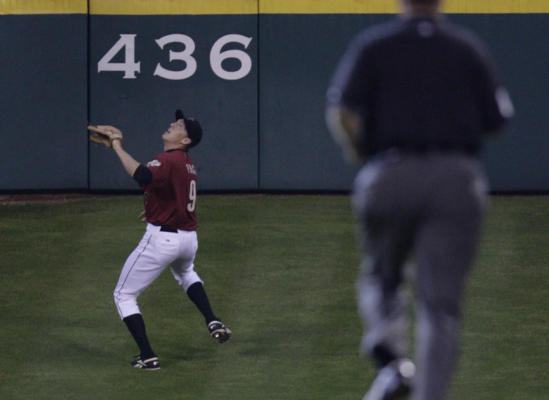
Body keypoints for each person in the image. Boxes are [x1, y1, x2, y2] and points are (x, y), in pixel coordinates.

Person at [326, 0, 513, 399]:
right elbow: (498, 120)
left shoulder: (374, 45)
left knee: (381, 276)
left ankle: (391, 358)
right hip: (455, 178)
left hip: (389, 172)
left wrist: (360, 153)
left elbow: (341, 112)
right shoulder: (467, 48)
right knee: (440, 307)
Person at [97, 109, 231, 370]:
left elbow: (142, 176)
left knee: (123, 295)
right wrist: (152, 208)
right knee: (186, 273)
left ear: (185, 140)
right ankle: (212, 319)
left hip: (163, 240)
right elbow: (172, 195)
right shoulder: (186, 162)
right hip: (188, 239)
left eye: (179, 125)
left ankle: (148, 356)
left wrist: (116, 145)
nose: (172, 124)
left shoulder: (169, 159)